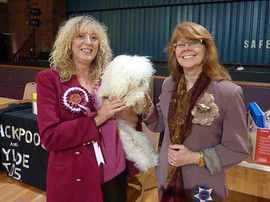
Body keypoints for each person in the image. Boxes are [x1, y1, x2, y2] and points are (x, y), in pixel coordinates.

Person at [36, 15, 138, 202]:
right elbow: (50, 137)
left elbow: (130, 123)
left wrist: (131, 113)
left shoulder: (111, 77)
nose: (88, 42)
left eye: (94, 37)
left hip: (114, 169)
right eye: (81, 36)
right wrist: (100, 116)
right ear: (68, 42)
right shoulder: (49, 79)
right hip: (76, 172)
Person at [144, 22, 250, 201]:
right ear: (174, 51)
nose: (186, 49)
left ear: (207, 48)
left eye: (193, 42)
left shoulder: (228, 92)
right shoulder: (169, 85)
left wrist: (195, 157)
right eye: (180, 44)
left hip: (203, 188)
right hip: (167, 181)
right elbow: (160, 124)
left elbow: (238, 149)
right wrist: (143, 106)